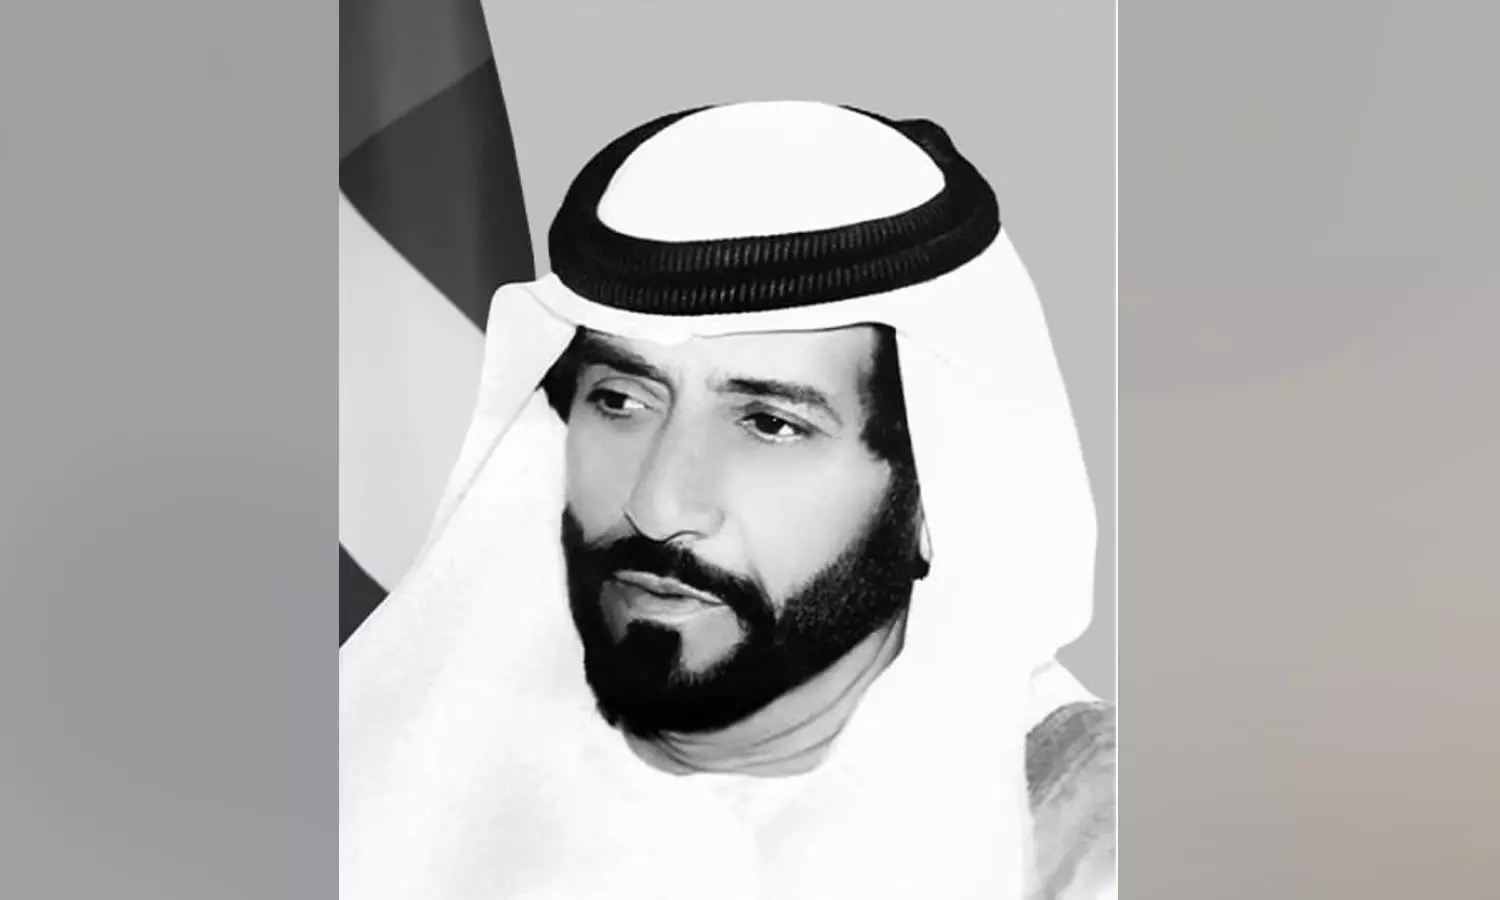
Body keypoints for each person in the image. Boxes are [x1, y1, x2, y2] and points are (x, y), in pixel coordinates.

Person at [340, 100, 1114, 900]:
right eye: (621, 401)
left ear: (935, 495)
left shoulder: (1093, 847)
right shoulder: (383, 788)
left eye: (771, 424)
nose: (657, 505)